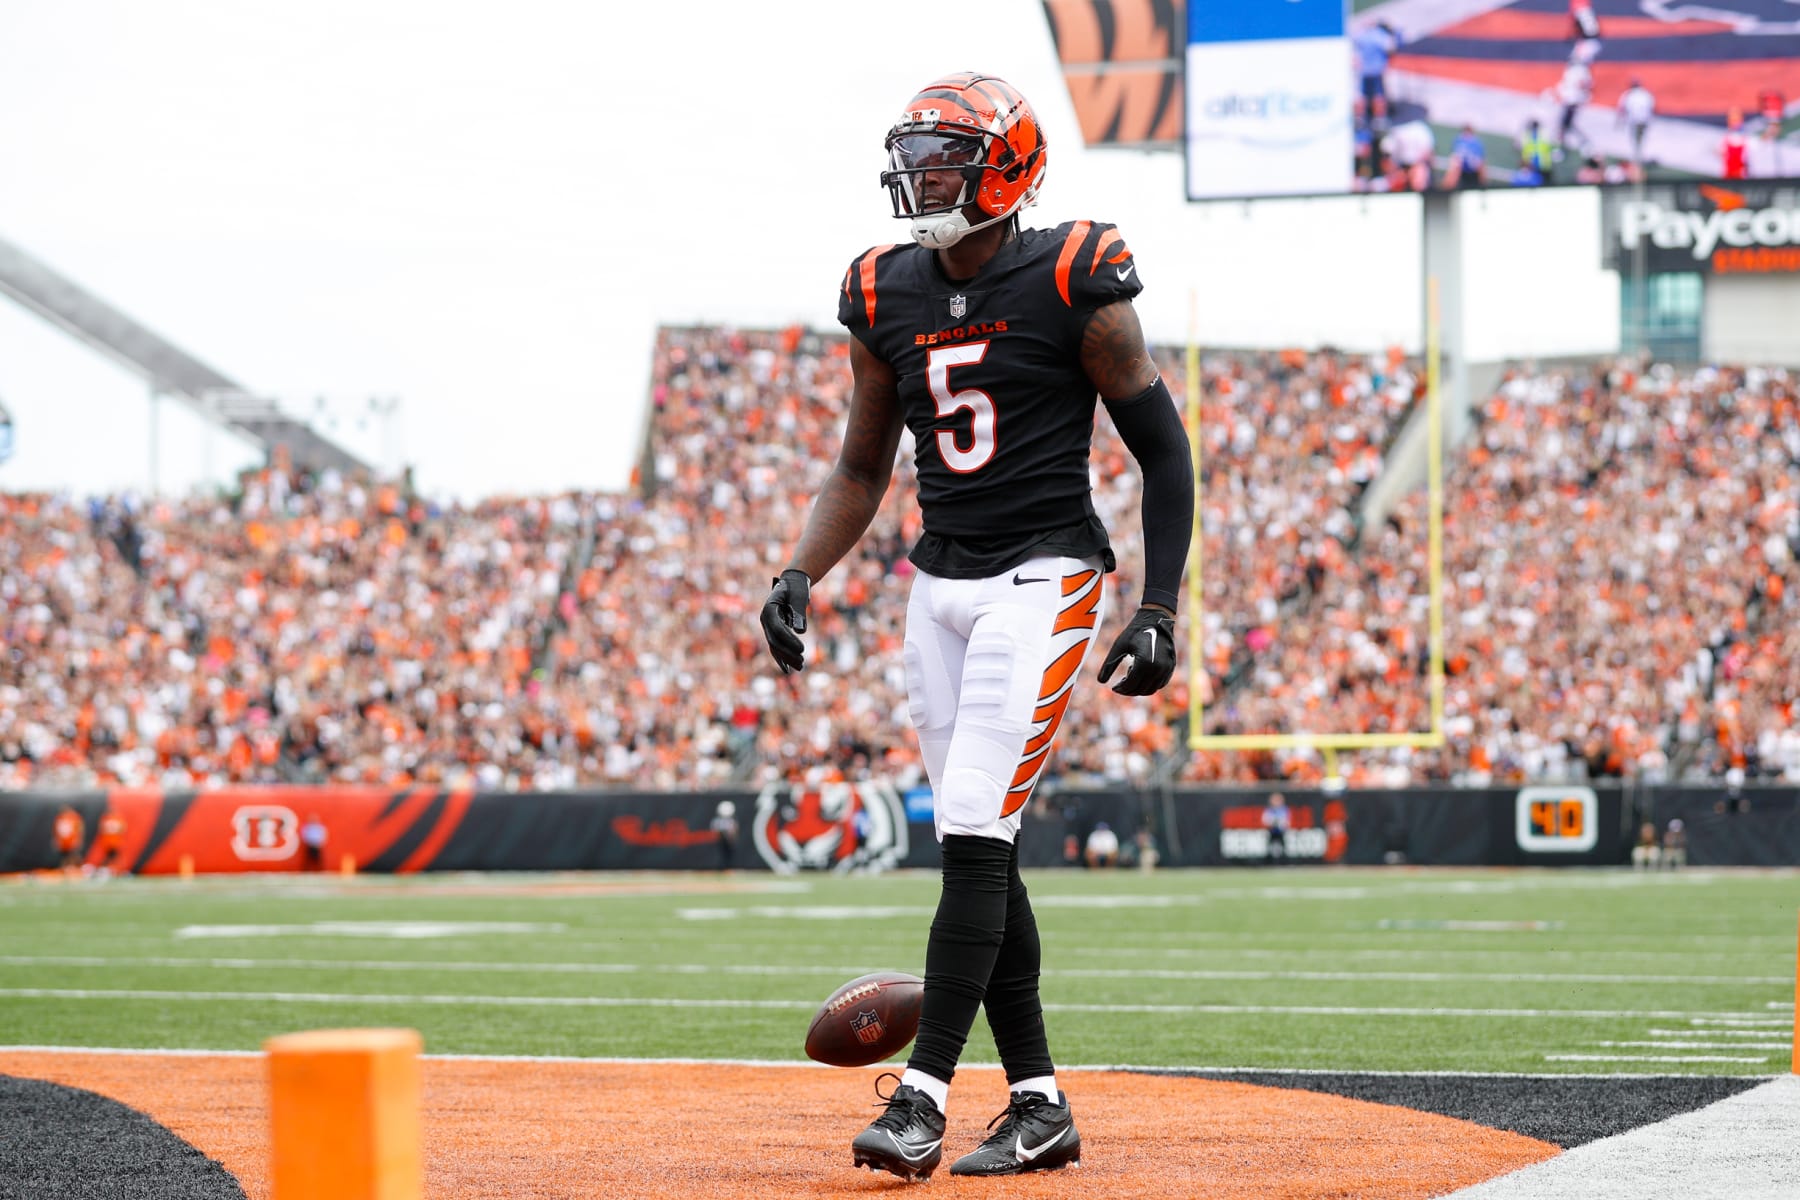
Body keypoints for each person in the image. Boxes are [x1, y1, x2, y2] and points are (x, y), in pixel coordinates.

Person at [759, 71, 1193, 1181]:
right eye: (913, 156)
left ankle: (921, 1100)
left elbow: (1164, 449)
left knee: (968, 830)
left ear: (1002, 170)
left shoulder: (1070, 273)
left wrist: (1157, 604)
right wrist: (800, 571)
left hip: (1044, 578)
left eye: (942, 157)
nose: (919, 178)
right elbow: (862, 467)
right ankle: (1040, 1101)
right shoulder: (882, 289)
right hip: (937, 586)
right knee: (981, 842)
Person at [1618, 78, 1655, 166]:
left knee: (1635, 138)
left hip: (1634, 120)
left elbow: (1622, 109)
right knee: (1641, 138)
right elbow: (1651, 107)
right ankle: (1639, 156)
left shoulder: (1628, 95)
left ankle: (1637, 157)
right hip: (1644, 120)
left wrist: (1620, 121)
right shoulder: (1646, 94)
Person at [92, 809, 128, 878]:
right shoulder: (116, 819)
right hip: (114, 842)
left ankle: (113, 870)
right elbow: (122, 829)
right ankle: (118, 871)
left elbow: (101, 829)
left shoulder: (106, 819)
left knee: (111, 857)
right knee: (112, 857)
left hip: (108, 842)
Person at [52, 804, 85, 874]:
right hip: (63, 842)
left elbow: (80, 829)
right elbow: (56, 830)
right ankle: (65, 870)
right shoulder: (59, 817)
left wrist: (78, 839)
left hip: (72, 841)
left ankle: (78, 869)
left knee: (73, 856)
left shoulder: (74, 817)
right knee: (64, 857)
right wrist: (56, 840)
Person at [1263, 791, 1292, 862]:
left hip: (1281, 833)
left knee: (1283, 849)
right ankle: (1270, 862)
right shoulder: (1269, 810)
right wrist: (1275, 822)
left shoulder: (1284, 809)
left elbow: (1286, 822)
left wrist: (1278, 822)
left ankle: (1283, 862)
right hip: (1272, 832)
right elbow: (1266, 820)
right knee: (1270, 849)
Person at [710, 800, 738, 872]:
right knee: (721, 854)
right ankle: (721, 868)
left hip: (728, 842)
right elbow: (714, 831)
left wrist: (730, 835)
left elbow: (734, 832)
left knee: (729, 854)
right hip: (720, 841)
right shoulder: (718, 821)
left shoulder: (731, 821)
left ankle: (728, 868)